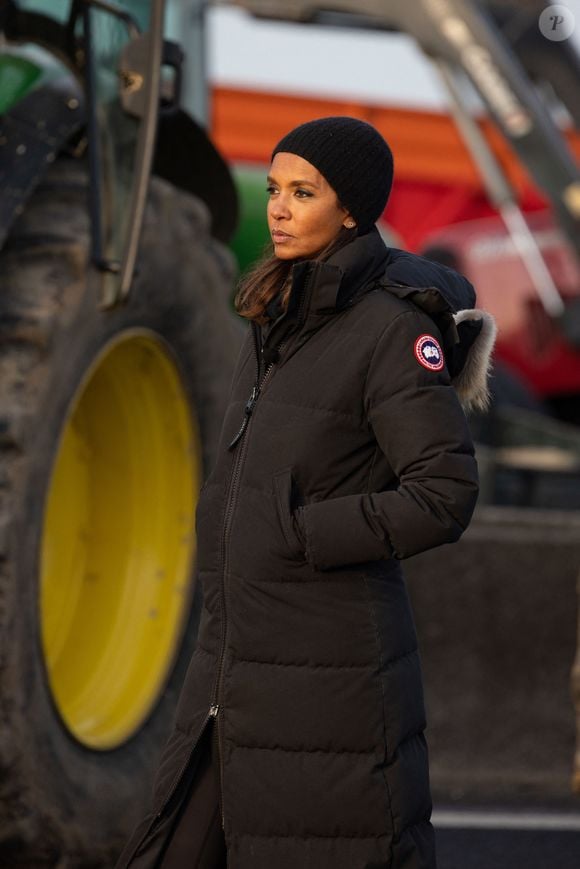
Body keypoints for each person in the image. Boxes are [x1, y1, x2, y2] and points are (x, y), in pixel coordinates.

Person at [116, 116, 496, 869]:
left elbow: (444, 491)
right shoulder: (275, 313)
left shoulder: (390, 330)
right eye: (273, 190)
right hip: (233, 660)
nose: (278, 210)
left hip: (329, 673)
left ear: (350, 210)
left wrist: (303, 533)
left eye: (303, 193)